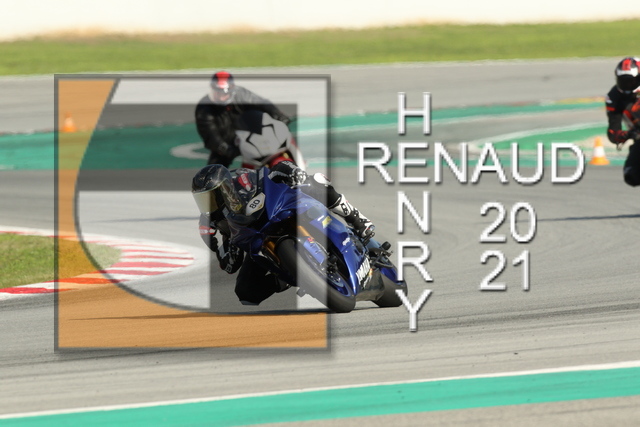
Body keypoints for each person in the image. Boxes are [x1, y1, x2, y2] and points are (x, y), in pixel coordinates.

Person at [191, 161, 374, 305]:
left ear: (225, 187)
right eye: (202, 199)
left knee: (314, 181)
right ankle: (291, 277)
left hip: (277, 210)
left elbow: (270, 172)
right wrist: (224, 245)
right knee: (245, 292)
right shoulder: (211, 223)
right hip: (258, 240)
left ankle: (357, 218)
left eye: (212, 195)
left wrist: (292, 172)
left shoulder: (241, 180)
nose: (209, 204)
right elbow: (229, 265)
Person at [195, 71, 292, 167]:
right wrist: (225, 149)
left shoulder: (241, 94)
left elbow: (261, 103)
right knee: (213, 169)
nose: (221, 97)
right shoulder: (204, 108)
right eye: (217, 92)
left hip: (250, 134)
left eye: (223, 93)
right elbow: (210, 136)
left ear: (231, 90)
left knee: (282, 142)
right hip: (227, 142)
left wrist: (278, 115)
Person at [605, 57, 640, 186]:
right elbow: (613, 133)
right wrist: (626, 134)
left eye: (632, 81)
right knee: (631, 175)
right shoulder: (614, 97)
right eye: (623, 81)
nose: (628, 85)